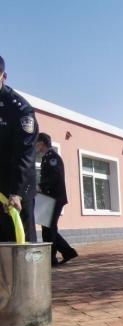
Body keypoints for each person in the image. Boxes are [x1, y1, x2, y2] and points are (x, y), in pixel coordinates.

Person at [0, 55, 38, 242]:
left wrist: (16, 192)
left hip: (17, 188)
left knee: (21, 248)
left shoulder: (20, 109)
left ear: (3, 76)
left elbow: (25, 154)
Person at [36, 132, 77, 265]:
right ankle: (67, 252)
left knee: (49, 229)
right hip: (48, 198)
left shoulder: (52, 157)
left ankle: (52, 259)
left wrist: (40, 186)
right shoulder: (46, 157)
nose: (35, 146)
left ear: (41, 143)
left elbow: (54, 177)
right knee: (48, 228)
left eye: (36, 143)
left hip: (53, 198)